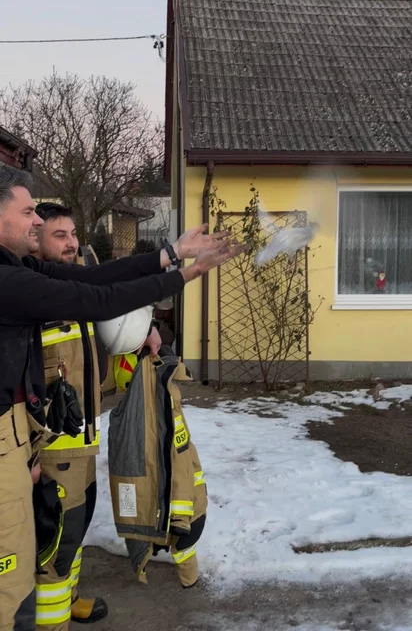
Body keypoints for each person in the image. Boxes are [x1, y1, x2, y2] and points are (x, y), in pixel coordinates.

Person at [0, 166, 245, 631]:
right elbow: (100, 300)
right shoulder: (8, 282)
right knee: (15, 578)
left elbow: (97, 281)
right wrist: (185, 274)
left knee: (44, 549)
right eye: (28, 211)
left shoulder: (18, 269)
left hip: (24, 440)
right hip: (28, 443)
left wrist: (171, 254)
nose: (37, 220)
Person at [35, 202, 161, 627]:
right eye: (59, 236)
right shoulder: (31, 294)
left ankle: (68, 597)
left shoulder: (79, 285)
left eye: (73, 234)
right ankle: (50, 617)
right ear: (35, 237)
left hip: (84, 439)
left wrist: (144, 330)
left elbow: (111, 316)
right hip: (50, 449)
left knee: (76, 528)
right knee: (53, 540)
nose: (71, 243)